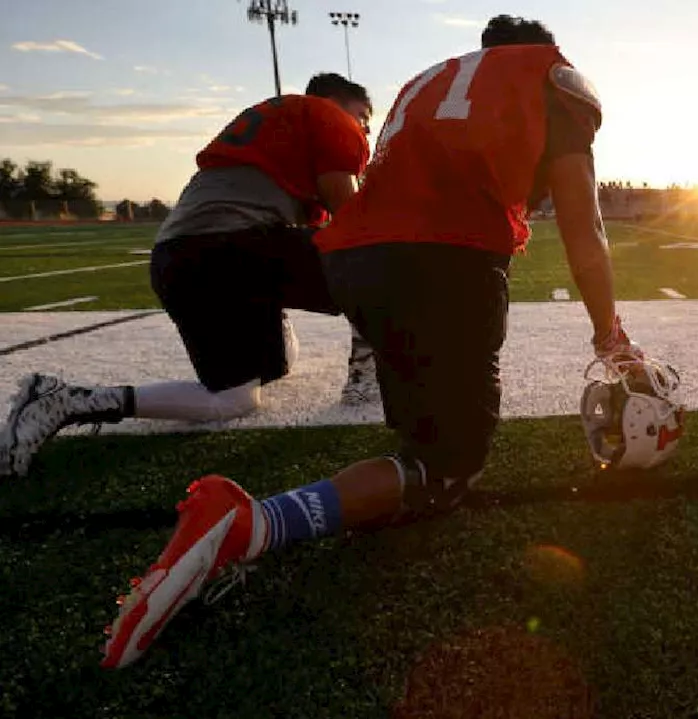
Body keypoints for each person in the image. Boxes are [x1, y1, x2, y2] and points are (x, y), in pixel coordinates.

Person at [100, 15, 641, 668]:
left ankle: (361, 473)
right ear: (542, 45)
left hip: (352, 261)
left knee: (420, 438)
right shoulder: (554, 76)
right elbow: (584, 229)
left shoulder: (425, 82)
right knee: (446, 470)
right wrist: (611, 335)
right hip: (442, 261)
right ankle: (248, 523)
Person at [0, 73, 379, 479]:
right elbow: (351, 224)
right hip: (224, 252)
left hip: (180, 258)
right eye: (363, 118)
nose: (366, 129)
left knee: (252, 385)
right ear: (341, 104)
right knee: (373, 259)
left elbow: (304, 218)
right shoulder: (330, 118)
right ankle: (366, 371)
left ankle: (65, 399)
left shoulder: (279, 122)